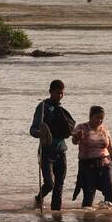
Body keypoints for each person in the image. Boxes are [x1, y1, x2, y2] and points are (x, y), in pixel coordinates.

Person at [29, 80, 75, 210]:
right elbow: (32, 130)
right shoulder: (42, 107)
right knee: (50, 184)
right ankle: (39, 198)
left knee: (59, 186)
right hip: (46, 152)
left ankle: (56, 217)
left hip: (61, 151)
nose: (59, 95)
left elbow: (68, 131)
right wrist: (42, 134)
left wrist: (76, 134)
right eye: (57, 93)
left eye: (62, 93)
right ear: (50, 92)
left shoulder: (61, 110)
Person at [70, 106, 112, 208]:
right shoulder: (82, 127)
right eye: (97, 117)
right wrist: (77, 137)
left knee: (110, 191)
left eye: (102, 118)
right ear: (90, 116)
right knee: (89, 196)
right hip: (88, 165)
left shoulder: (104, 130)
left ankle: (107, 220)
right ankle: (88, 220)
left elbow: (110, 148)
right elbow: (74, 142)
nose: (100, 120)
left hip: (106, 163)